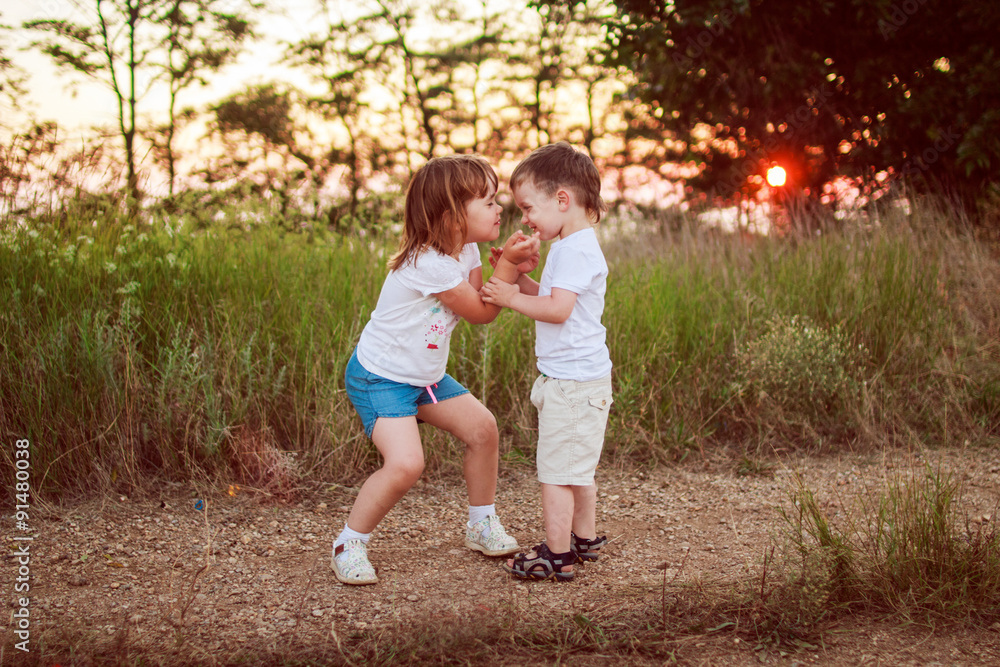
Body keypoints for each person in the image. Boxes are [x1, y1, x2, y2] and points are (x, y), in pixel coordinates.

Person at [333, 154, 540, 585]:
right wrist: (506, 268)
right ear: (450, 216)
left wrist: (512, 269)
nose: (499, 208)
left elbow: (484, 292)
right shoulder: (426, 262)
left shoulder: (465, 248)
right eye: (487, 201)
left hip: (423, 375)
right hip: (382, 377)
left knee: (483, 430)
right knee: (406, 464)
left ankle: (481, 523)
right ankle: (349, 543)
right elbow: (484, 312)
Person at [481, 142, 613, 582]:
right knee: (578, 468)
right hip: (580, 379)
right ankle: (585, 538)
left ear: (562, 199)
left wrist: (509, 296)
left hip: (574, 383)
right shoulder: (571, 245)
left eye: (527, 208)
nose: (525, 219)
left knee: (557, 471)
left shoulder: (574, 250)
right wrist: (519, 277)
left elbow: (557, 311)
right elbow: (554, 298)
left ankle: (556, 555)